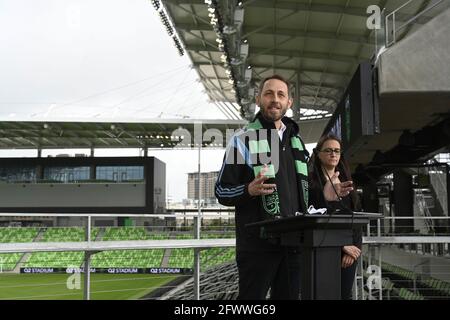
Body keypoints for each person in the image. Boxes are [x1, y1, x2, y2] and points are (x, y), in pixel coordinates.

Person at [215, 74, 352, 300]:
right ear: (258, 99)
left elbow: (303, 200)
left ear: (289, 103)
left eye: (281, 95)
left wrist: (323, 195)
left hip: (293, 246)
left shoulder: (297, 143)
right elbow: (221, 190)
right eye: (269, 94)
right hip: (257, 247)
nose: (275, 99)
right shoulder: (243, 138)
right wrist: (248, 189)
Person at [308, 134, 362, 300]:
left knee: (344, 295)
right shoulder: (309, 184)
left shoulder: (348, 184)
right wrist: (340, 245)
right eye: (329, 150)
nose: (333, 154)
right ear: (318, 154)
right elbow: (312, 217)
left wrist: (355, 250)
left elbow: (356, 219)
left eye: (337, 151)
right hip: (321, 250)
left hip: (348, 253)